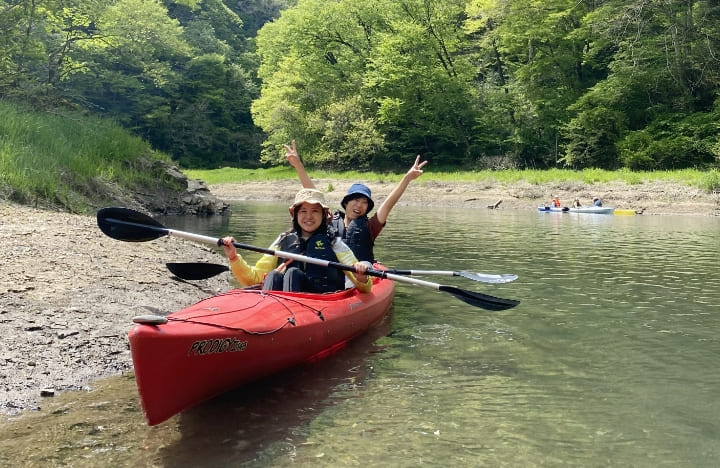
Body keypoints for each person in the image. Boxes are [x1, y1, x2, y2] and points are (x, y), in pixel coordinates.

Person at [284, 140, 427, 263]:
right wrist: (298, 166)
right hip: (332, 274)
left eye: (364, 202)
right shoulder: (329, 221)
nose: (359, 205)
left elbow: (389, 203)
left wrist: (407, 179)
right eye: (356, 200)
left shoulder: (371, 226)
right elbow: (313, 196)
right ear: (346, 203)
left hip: (361, 273)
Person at [220, 188, 372, 294]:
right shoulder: (283, 240)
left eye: (315, 211)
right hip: (280, 308)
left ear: (324, 215)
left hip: (321, 302)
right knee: (273, 275)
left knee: (293, 272)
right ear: (295, 214)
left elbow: (364, 287)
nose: (309, 217)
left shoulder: (334, 243)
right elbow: (252, 278)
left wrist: (362, 277)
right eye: (303, 211)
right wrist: (233, 257)